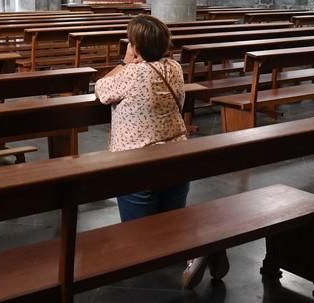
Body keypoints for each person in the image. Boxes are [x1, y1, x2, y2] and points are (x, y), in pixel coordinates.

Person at [94, 15, 229, 289]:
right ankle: (202, 245)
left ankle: (198, 248)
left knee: (140, 239)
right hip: (177, 157)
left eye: (131, 42)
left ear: (137, 47)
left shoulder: (132, 73)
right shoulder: (175, 68)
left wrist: (123, 62)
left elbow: (100, 90)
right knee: (170, 221)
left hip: (138, 163)